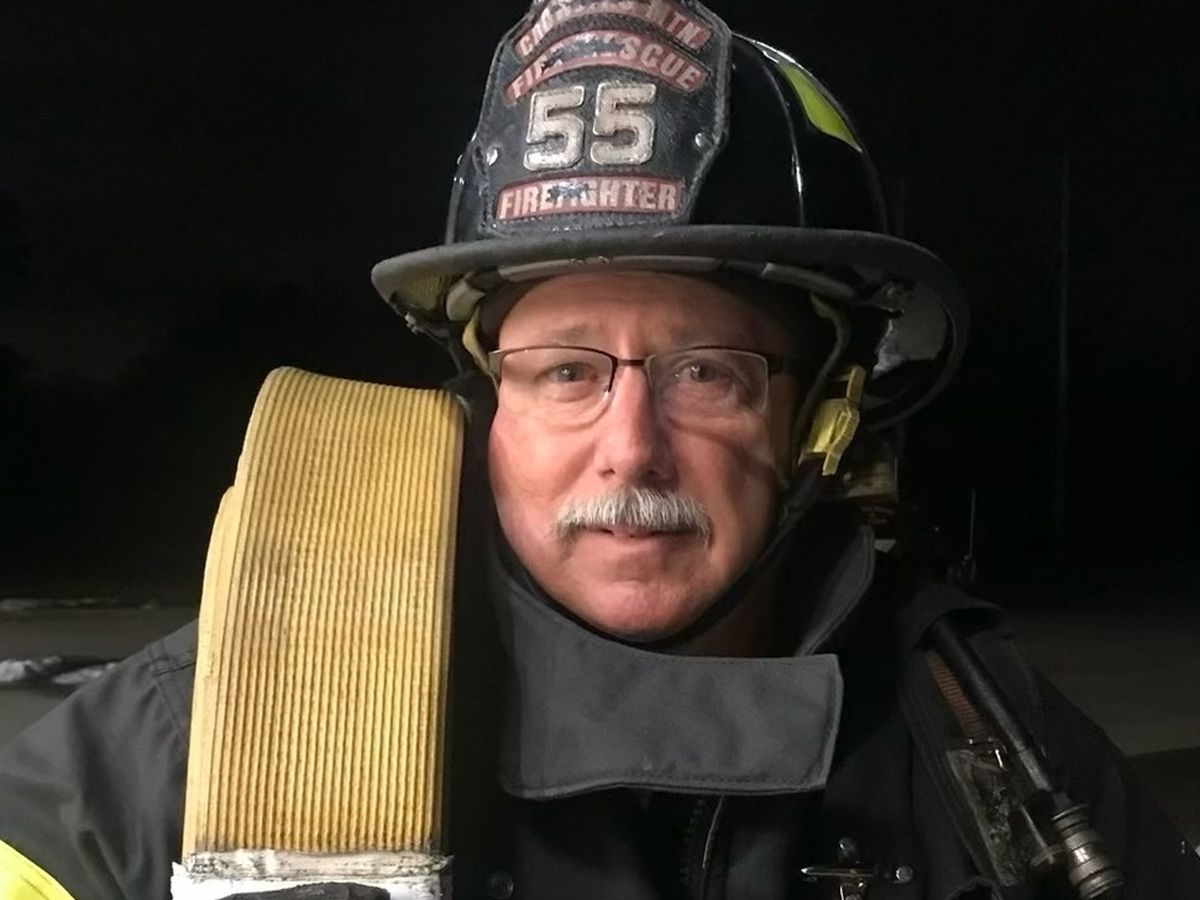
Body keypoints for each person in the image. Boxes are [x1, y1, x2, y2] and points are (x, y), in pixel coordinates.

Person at [2, 2, 1197, 898]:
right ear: (487, 406)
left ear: (822, 417)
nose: (631, 451)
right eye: (566, 371)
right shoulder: (218, 728)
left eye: (708, 372)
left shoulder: (980, 731)